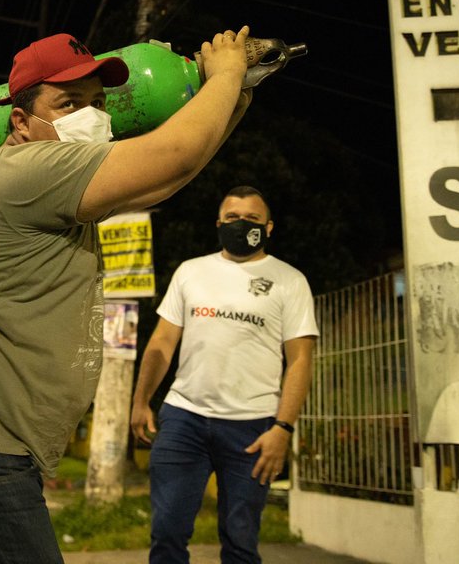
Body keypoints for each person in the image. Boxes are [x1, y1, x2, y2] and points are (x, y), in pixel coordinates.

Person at [0, 28, 254, 563]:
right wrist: (228, 74)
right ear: (21, 122)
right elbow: (175, 155)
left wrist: (234, 99)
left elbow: (164, 183)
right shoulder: (30, 171)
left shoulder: (44, 184)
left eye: (98, 102)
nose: (90, 115)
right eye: (68, 103)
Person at [130, 185, 320, 564]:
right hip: (184, 420)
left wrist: (282, 429)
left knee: (240, 544)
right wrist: (140, 402)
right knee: (166, 534)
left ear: (268, 228)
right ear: (218, 224)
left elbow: (300, 360)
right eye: (232, 218)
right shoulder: (191, 272)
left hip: (252, 430)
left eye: (251, 219)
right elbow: (162, 343)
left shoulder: (289, 280)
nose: (241, 224)